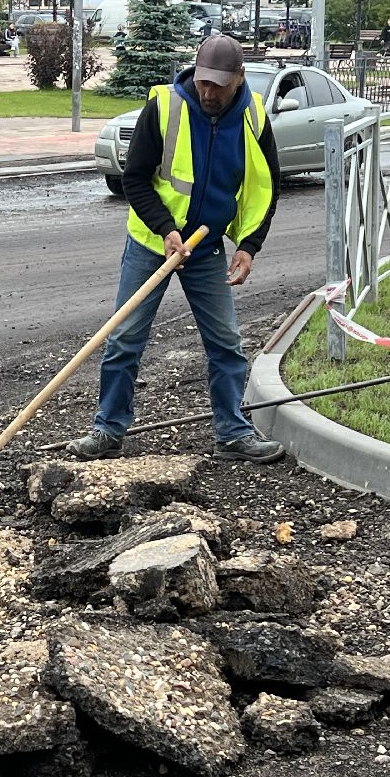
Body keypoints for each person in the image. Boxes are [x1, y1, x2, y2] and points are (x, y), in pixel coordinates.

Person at [65, 36, 284, 465]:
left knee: (226, 342)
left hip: (205, 248)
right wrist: (165, 229)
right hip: (152, 244)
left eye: (219, 85)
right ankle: (108, 430)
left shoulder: (253, 117)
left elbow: (267, 187)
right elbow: (134, 180)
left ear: (239, 79)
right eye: (203, 82)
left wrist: (249, 245)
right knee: (125, 338)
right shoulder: (165, 107)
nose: (208, 92)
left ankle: (233, 434)